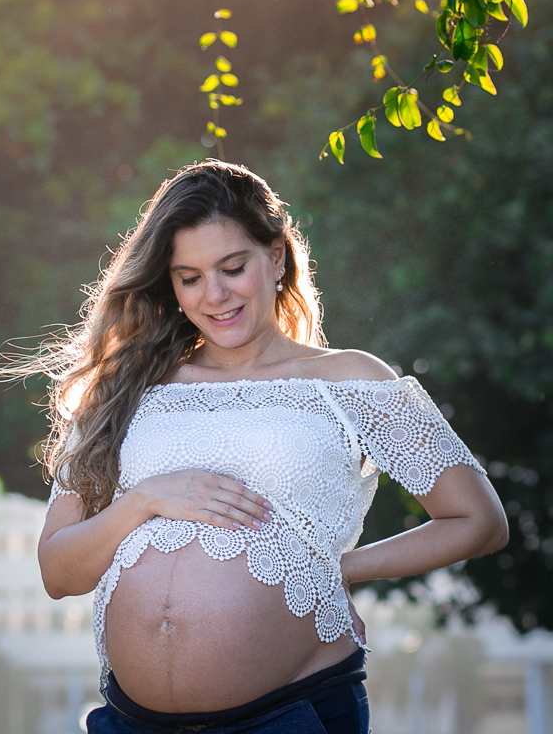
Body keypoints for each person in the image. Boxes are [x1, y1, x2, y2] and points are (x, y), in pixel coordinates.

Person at [27, 161, 508, 733]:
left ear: (276, 257)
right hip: (131, 721)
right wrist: (144, 500)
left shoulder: (348, 380)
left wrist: (340, 569)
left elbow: (478, 521)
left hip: (287, 714)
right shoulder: (125, 387)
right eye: (189, 277)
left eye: (233, 268)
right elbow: (58, 573)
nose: (215, 295)